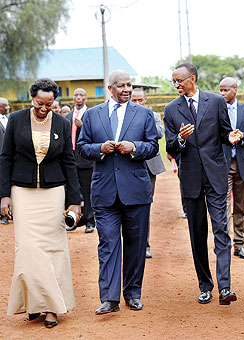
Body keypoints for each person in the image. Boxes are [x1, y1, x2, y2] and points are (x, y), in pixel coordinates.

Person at [0, 79, 81, 328]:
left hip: (53, 191)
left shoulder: (63, 123)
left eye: (49, 104)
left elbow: (69, 161)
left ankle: (51, 307)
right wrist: (4, 195)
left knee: (53, 249)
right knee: (28, 248)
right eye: (39, 103)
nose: (43, 109)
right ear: (31, 98)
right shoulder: (16, 120)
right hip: (22, 191)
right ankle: (34, 303)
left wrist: (75, 202)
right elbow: (5, 158)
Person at [78, 70, 158, 315]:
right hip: (104, 191)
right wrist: (100, 148)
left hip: (136, 190)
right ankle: (109, 298)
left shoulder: (144, 114)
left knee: (135, 245)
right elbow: (82, 147)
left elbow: (153, 145)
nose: (126, 89)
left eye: (129, 85)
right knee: (108, 243)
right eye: (121, 85)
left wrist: (134, 147)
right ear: (110, 88)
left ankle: (133, 293)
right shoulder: (92, 115)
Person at [164, 63, 241, 305]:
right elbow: (169, 146)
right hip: (190, 180)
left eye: (180, 80)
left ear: (193, 79)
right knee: (197, 234)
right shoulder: (171, 109)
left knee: (221, 231)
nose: (176, 85)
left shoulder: (216, 102)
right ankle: (205, 285)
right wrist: (180, 138)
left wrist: (231, 137)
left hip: (216, 177)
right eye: (173, 81)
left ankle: (225, 287)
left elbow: (225, 133)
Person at [219, 77, 244, 259]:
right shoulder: (216, 109)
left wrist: (243, 136)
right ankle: (224, 245)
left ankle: (240, 245)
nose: (222, 93)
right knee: (224, 206)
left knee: (241, 207)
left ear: (235, 90)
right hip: (223, 165)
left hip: (243, 163)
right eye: (220, 90)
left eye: (226, 90)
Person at [130, 88, 166, 258]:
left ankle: (145, 245)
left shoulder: (154, 115)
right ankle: (131, 244)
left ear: (145, 100)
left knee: (145, 206)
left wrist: (145, 119)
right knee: (127, 205)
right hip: (128, 164)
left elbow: (159, 133)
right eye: (134, 100)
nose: (137, 103)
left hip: (149, 166)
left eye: (140, 100)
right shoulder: (124, 116)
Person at [65, 88, 95, 233]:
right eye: (76, 95)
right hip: (71, 159)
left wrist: (82, 126)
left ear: (85, 98)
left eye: (81, 95)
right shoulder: (68, 116)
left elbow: (96, 134)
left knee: (87, 190)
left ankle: (90, 220)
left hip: (86, 160)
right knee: (74, 191)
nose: (78, 97)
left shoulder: (91, 115)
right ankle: (77, 219)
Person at [0, 97, 10, 225]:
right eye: (5, 106)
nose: (8, 108)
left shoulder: (10, 119)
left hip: (9, 159)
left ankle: (8, 214)